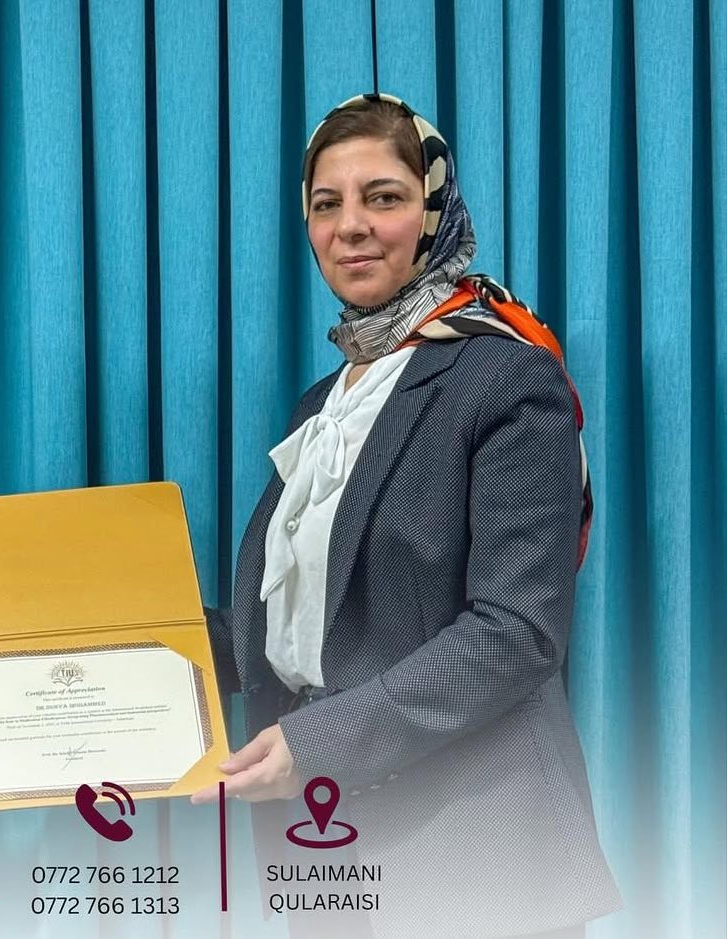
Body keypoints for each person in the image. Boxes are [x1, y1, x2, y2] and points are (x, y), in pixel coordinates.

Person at [192, 94, 621, 939]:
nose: (349, 226)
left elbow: (517, 632)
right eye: (326, 204)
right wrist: (103, 641)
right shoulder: (324, 402)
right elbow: (291, 632)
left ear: (433, 209)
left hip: (476, 853)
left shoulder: (508, 378)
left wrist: (319, 742)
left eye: (382, 197)